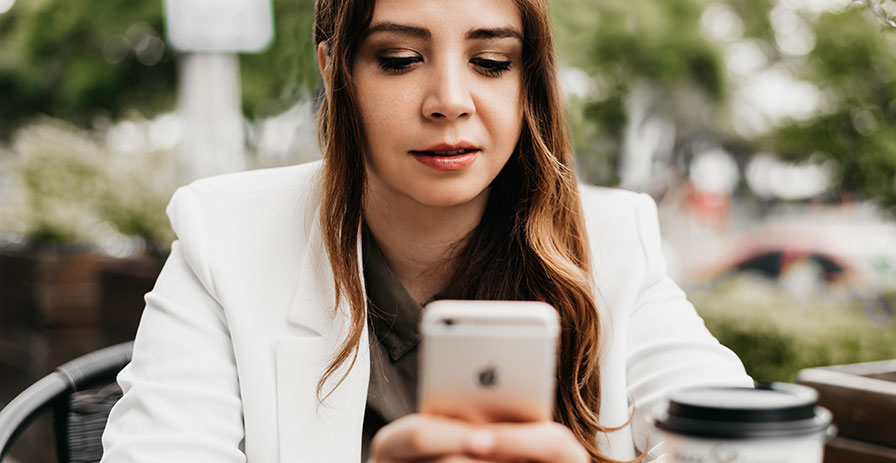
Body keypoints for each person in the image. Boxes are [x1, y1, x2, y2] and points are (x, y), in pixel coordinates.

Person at [100, 0, 752, 461]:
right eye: (401, 58)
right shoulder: (225, 239)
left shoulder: (611, 241)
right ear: (335, 71)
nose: (449, 99)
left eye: (492, 61)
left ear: (529, 80)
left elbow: (742, 440)